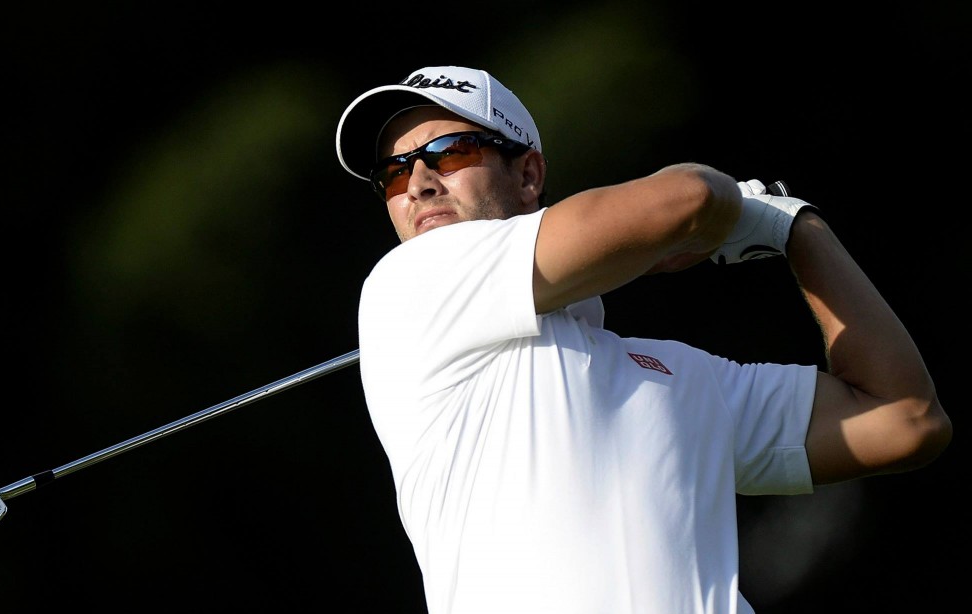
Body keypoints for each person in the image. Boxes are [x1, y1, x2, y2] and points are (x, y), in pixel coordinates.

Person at [333, 66, 951, 614]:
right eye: (392, 173)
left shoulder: (669, 373)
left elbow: (904, 418)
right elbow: (689, 198)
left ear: (528, 175)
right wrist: (731, 215)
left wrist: (798, 229)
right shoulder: (406, 283)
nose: (417, 183)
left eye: (449, 152)